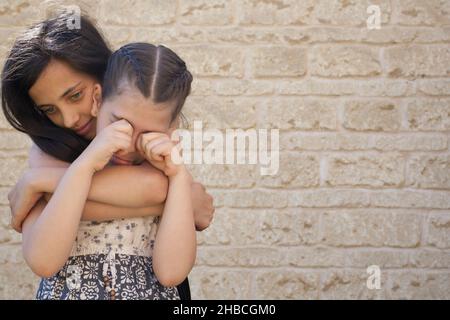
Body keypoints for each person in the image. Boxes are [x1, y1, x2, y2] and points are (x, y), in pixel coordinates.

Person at [2, 13, 213, 300]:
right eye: (49, 109)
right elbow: (153, 192)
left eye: (75, 95)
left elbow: (154, 188)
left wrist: (40, 182)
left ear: (101, 82)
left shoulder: (152, 149)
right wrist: (174, 203)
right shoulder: (49, 150)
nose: (69, 119)